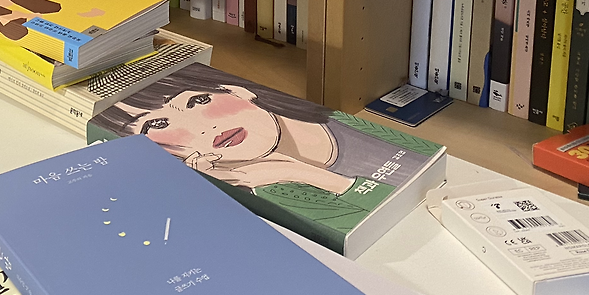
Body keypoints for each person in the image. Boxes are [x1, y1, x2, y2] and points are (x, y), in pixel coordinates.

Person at [92, 64, 428, 196]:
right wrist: (299, 173)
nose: (204, 127)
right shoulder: (256, 190)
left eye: (198, 101)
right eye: (157, 124)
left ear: (236, 90)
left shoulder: (357, 128)